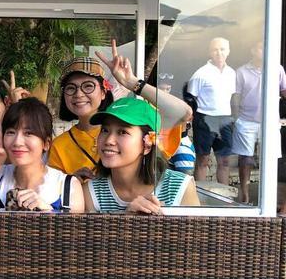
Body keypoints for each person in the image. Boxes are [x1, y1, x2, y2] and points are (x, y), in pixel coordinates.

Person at [48, 40, 193, 181]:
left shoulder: (135, 124)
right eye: (71, 88)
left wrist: (131, 82)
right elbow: (54, 189)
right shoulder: (59, 146)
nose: (79, 94)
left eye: (88, 86)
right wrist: (71, 183)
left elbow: (183, 113)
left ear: (104, 92)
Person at [0, 98, 84, 212]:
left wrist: (47, 211)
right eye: (11, 132)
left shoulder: (68, 186)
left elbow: (75, 228)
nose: (17, 142)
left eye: (28, 133)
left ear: (46, 143)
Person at [84, 97, 200, 214]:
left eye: (123, 132)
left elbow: (196, 228)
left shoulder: (180, 187)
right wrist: (127, 218)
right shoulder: (91, 192)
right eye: (104, 130)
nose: (109, 140)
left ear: (147, 145)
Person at [231, 41, 286, 204]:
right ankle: (245, 195)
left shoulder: (277, 69)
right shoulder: (241, 71)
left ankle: (267, 197)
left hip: (270, 122)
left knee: (270, 158)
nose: (264, 51)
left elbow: (284, 91)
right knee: (245, 158)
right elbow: (236, 96)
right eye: (260, 48)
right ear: (253, 50)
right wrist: (236, 118)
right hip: (246, 121)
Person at [187, 37, 236, 184]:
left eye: (222, 49)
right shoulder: (201, 73)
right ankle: (199, 196)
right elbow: (190, 98)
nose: (219, 53)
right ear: (209, 52)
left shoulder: (231, 73)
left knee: (224, 161)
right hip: (205, 119)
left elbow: (233, 97)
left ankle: (224, 195)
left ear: (228, 51)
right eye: (215, 49)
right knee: (203, 160)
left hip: (225, 120)